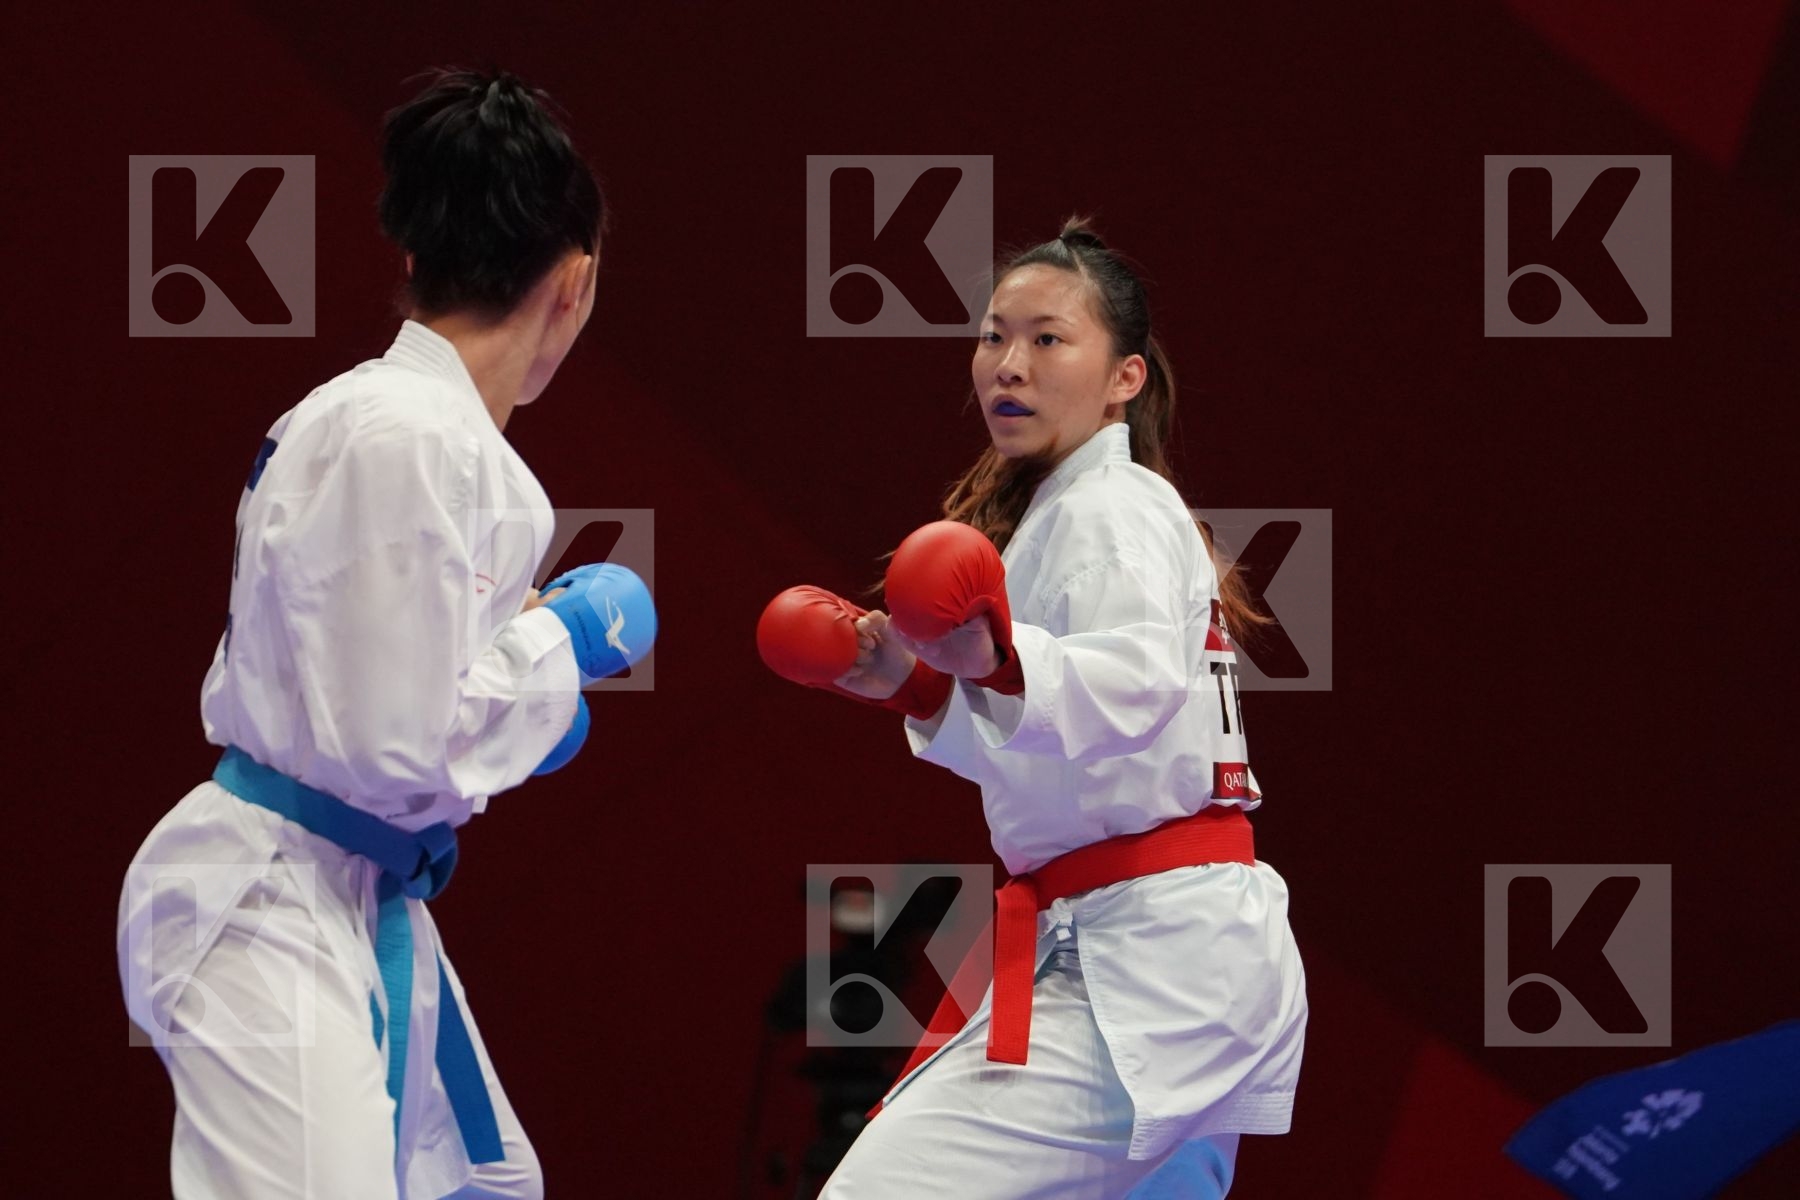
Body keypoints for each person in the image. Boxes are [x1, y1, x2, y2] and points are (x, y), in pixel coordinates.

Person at [116, 67, 653, 1199]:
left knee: (490, 1183)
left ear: (412, 260)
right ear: (576, 285)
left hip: (347, 885)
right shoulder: (409, 437)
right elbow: (397, 746)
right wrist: (562, 646)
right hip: (267, 894)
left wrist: (529, 678)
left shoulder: (403, 426)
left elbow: (399, 709)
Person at [758, 220, 1306, 1198]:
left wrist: (994, 658)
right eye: (991, 336)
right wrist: (916, 683)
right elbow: (1067, 745)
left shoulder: (1111, 507)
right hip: (1177, 956)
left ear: (1124, 378)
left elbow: (1131, 688)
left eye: (1047, 339)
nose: (1008, 364)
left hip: (1150, 965)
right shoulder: (1075, 514)